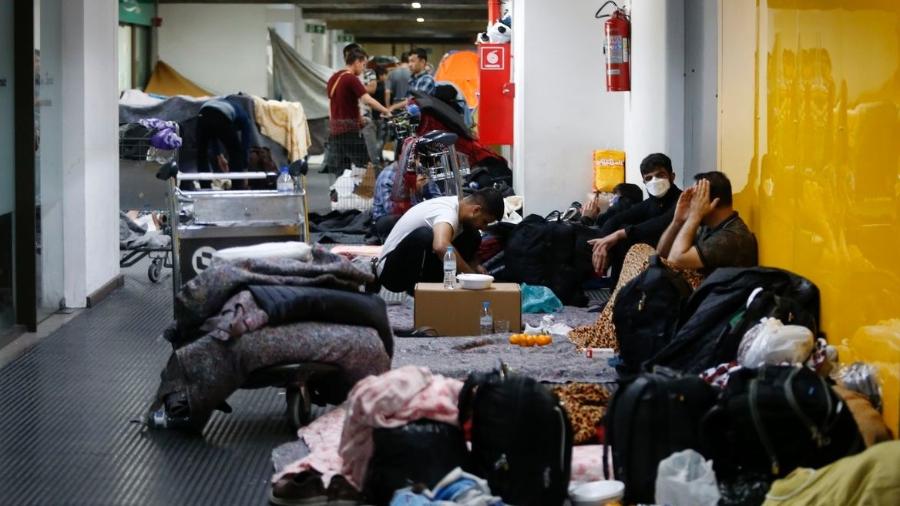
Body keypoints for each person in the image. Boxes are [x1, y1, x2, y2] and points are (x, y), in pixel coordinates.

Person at [378, 189, 505, 294]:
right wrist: (470, 276)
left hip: (419, 265)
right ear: (476, 210)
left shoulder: (461, 208)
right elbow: (440, 246)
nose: (484, 227)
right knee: (425, 236)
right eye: (484, 221)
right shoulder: (447, 212)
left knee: (474, 235)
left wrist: (475, 266)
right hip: (392, 273)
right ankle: (417, 294)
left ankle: (440, 291)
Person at [587, 153, 682, 284]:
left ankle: (620, 296)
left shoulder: (683, 200)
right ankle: (616, 295)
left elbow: (663, 222)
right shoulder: (650, 203)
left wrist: (621, 234)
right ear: (644, 182)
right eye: (649, 178)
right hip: (650, 260)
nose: (655, 181)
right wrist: (602, 245)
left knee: (623, 235)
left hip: (676, 259)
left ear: (672, 177)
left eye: (660, 175)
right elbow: (615, 220)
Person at [657, 171, 758, 273]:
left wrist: (694, 216)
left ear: (712, 203)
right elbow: (661, 256)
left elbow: (675, 261)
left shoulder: (732, 236)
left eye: (696, 199)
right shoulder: (708, 226)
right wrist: (677, 221)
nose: (691, 204)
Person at [323, 47, 390, 175]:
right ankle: (366, 194)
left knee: (342, 170)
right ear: (357, 62)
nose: (364, 69)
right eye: (363, 65)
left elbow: (336, 105)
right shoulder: (351, 78)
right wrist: (386, 111)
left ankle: (338, 194)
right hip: (349, 131)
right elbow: (367, 99)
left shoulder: (333, 78)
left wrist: (359, 118)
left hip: (335, 130)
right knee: (366, 166)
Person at [371, 162, 441, 243]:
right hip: (388, 217)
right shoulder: (389, 174)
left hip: (414, 212)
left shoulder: (421, 169)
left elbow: (436, 198)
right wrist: (413, 188)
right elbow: (391, 209)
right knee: (399, 219)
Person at [195, 97, 256, 189]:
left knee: (201, 154)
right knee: (236, 152)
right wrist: (245, 168)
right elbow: (245, 144)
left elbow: (213, 134)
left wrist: (219, 155)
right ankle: (238, 186)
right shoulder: (245, 118)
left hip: (202, 114)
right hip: (220, 115)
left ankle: (205, 186)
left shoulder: (225, 104)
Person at [388, 48, 435, 113]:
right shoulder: (412, 79)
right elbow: (407, 100)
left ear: (422, 62)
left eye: (413, 61)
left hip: (421, 119)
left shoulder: (427, 79)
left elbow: (415, 102)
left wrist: (393, 107)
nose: (409, 64)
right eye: (409, 61)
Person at [580, 183, 644, 228]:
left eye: (615, 197)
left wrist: (586, 219)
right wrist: (593, 218)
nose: (611, 201)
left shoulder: (624, 226)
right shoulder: (608, 219)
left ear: (626, 200)